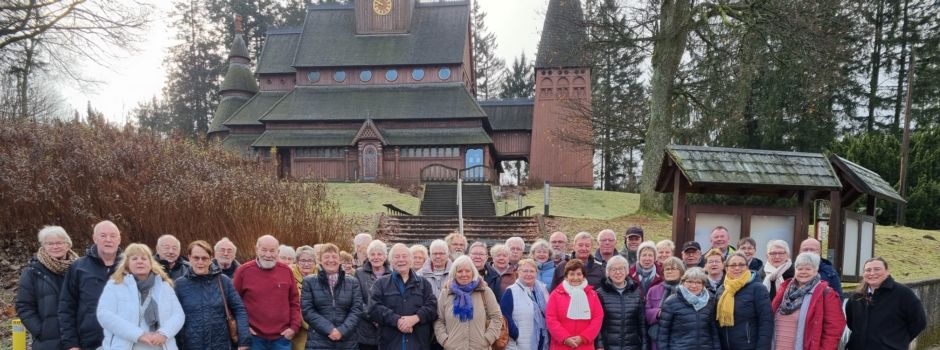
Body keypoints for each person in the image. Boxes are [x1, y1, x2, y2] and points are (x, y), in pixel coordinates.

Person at [96, 243, 185, 349]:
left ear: (150, 263)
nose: (140, 261)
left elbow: (178, 315)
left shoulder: (164, 286)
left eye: (144, 258)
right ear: (127, 264)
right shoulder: (115, 285)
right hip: (125, 345)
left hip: (161, 345)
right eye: (134, 259)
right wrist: (138, 334)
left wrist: (164, 333)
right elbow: (104, 314)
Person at [59, 220, 123, 350]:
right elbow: (66, 307)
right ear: (95, 238)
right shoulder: (79, 267)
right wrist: (71, 344)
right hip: (89, 342)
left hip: (125, 341)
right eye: (103, 235)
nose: (108, 240)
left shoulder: (130, 267)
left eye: (113, 236)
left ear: (119, 239)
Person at [175, 240, 250, 350]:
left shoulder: (223, 281)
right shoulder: (179, 285)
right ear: (189, 258)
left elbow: (239, 309)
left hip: (221, 345)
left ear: (211, 258)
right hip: (191, 345)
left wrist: (243, 341)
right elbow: (173, 317)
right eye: (196, 258)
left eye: (204, 258)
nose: (200, 262)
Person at [15, 226, 78, 350]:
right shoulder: (32, 272)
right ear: (43, 246)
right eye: (50, 243)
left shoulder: (80, 269)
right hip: (48, 342)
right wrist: (41, 331)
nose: (55, 247)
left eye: (59, 243)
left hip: (79, 339)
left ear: (68, 245)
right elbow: (24, 306)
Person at [233, 235, 301, 350]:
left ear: (278, 252)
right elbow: (233, 303)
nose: (268, 255)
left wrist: (294, 327)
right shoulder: (243, 271)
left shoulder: (286, 271)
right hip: (253, 338)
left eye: (272, 251)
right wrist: (243, 328)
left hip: (282, 338)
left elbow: (294, 302)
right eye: (264, 250)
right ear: (256, 250)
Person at [845, 257, 927, 350]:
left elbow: (919, 322)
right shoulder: (856, 297)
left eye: (877, 269)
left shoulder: (903, 294)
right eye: (868, 270)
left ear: (887, 271)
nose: (872, 273)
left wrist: (898, 341)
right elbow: (851, 323)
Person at [368, 243, 438, 350]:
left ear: (411, 260)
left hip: (418, 344)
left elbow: (432, 307)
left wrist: (416, 318)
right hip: (390, 344)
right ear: (391, 261)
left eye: (404, 256)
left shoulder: (424, 284)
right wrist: (397, 320)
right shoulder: (380, 284)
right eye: (397, 257)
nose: (401, 260)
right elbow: (373, 309)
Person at [770, 253, 845, 350]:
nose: (803, 272)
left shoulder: (826, 293)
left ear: (816, 270)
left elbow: (834, 329)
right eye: (800, 269)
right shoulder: (784, 290)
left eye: (808, 269)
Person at [301, 243, 363, 349]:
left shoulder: (353, 282)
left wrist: (342, 331)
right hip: (318, 341)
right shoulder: (309, 282)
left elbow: (357, 310)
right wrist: (329, 329)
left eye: (334, 256)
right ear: (320, 260)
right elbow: (308, 311)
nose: (331, 260)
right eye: (326, 257)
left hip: (347, 342)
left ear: (339, 260)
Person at [434, 255, 503, 349]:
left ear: (473, 272)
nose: (464, 274)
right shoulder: (446, 293)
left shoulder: (484, 291)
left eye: (467, 271)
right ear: (454, 273)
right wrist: (445, 341)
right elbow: (439, 320)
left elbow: (497, 317)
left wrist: (488, 339)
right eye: (459, 271)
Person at [716, 253, 772, 350]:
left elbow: (766, 322)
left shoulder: (758, 288)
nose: (737, 268)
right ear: (726, 268)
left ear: (747, 267)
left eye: (741, 265)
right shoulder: (722, 290)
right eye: (733, 265)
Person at [545, 259, 604, 350]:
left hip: (585, 345)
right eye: (572, 274)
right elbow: (551, 318)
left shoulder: (592, 295)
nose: (575, 278)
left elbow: (597, 318)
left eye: (579, 274)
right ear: (566, 277)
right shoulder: (556, 295)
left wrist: (583, 337)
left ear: (583, 276)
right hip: (561, 345)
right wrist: (565, 338)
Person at [656, 267, 720, 350]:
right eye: (689, 282)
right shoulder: (671, 302)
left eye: (698, 282)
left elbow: (713, 331)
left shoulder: (709, 301)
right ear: (683, 282)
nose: (693, 285)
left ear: (703, 285)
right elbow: (663, 334)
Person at [595, 255, 646, 350]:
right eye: (613, 269)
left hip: (632, 346)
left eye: (621, 269)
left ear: (627, 271)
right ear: (608, 273)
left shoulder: (636, 292)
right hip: (608, 346)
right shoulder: (600, 293)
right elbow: (597, 323)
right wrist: (599, 345)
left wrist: (644, 346)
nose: (618, 272)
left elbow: (642, 324)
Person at [500, 258, 550, 350]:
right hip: (519, 342)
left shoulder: (543, 290)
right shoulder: (511, 291)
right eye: (525, 271)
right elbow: (505, 316)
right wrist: (515, 334)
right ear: (518, 272)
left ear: (536, 273)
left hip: (542, 339)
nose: (528, 274)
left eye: (532, 271)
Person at [645, 257, 685, 350]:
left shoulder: (686, 290)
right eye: (667, 269)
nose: (670, 271)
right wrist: (658, 313)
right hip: (657, 337)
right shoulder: (653, 290)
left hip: (681, 338)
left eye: (673, 269)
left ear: (681, 272)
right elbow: (646, 313)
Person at [355, 240, 389, 350]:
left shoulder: (393, 273)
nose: (376, 257)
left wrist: (385, 318)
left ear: (385, 256)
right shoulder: (359, 273)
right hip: (366, 331)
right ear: (368, 257)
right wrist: (373, 317)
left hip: (388, 328)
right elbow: (357, 300)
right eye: (372, 254)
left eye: (379, 254)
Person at [291, 245, 318, 350]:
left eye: (310, 260)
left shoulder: (322, 276)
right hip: (298, 328)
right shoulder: (290, 276)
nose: (306, 264)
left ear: (315, 262)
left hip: (320, 327)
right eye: (303, 260)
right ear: (297, 262)